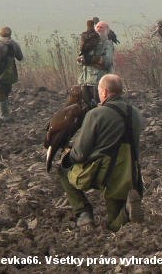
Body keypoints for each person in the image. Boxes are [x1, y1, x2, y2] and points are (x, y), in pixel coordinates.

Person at [58, 74, 144, 231]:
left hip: (103, 174)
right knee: (114, 224)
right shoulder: (136, 114)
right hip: (130, 175)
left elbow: (80, 153)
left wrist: (67, 157)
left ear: (104, 92)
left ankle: (84, 214)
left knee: (63, 170)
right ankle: (126, 211)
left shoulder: (96, 114)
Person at [78, 21, 114, 105]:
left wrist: (89, 60)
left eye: (102, 27)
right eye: (97, 27)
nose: (99, 29)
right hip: (84, 81)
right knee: (86, 108)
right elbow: (79, 60)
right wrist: (83, 60)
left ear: (107, 31)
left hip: (98, 82)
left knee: (99, 105)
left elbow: (107, 62)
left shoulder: (107, 44)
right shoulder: (87, 43)